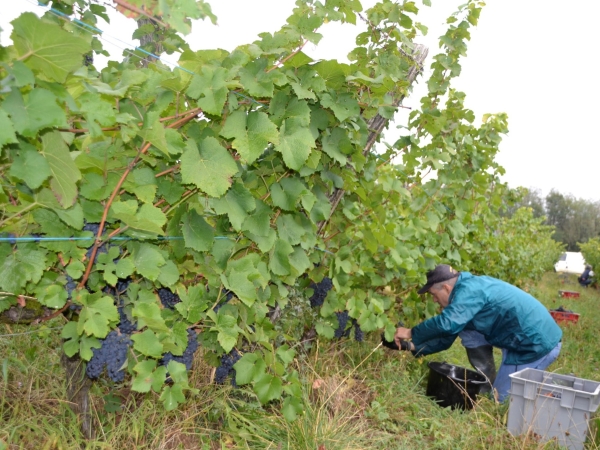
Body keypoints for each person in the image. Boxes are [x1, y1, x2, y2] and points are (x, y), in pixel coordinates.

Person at [394, 265, 562, 402]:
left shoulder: (470, 291)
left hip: (535, 345)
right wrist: (412, 346)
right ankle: (487, 380)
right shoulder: (466, 290)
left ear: (446, 288)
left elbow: (447, 324)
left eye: (434, 295)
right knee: (468, 331)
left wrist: (410, 332)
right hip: (520, 340)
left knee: (501, 401)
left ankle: (552, 402)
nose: (435, 300)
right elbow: (448, 335)